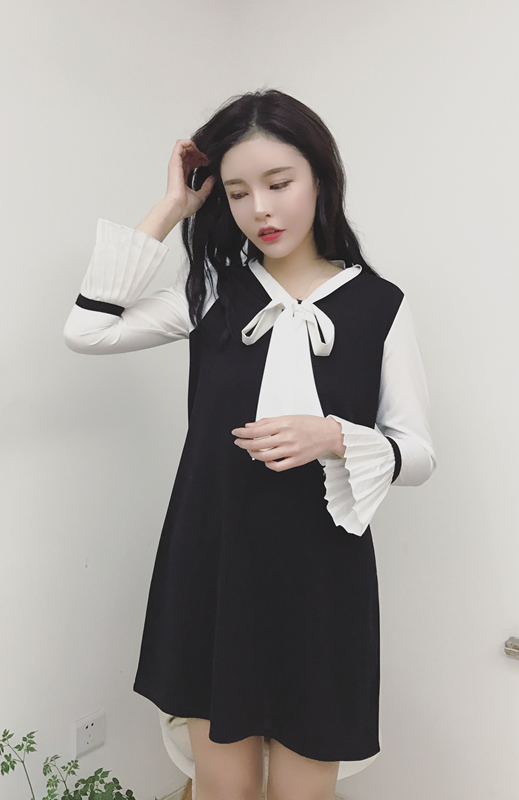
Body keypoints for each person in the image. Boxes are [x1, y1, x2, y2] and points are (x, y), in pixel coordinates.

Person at [63, 89, 436, 800]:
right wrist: (172, 207)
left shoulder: (379, 306)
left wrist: (335, 436)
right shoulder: (212, 291)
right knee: (222, 788)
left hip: (322, 581)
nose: (260, 209)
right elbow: (88, 329)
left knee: (303, 789)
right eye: (237, 193)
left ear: (320, 178)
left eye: (279, 183)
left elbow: (418, 453)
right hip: (215, 567)